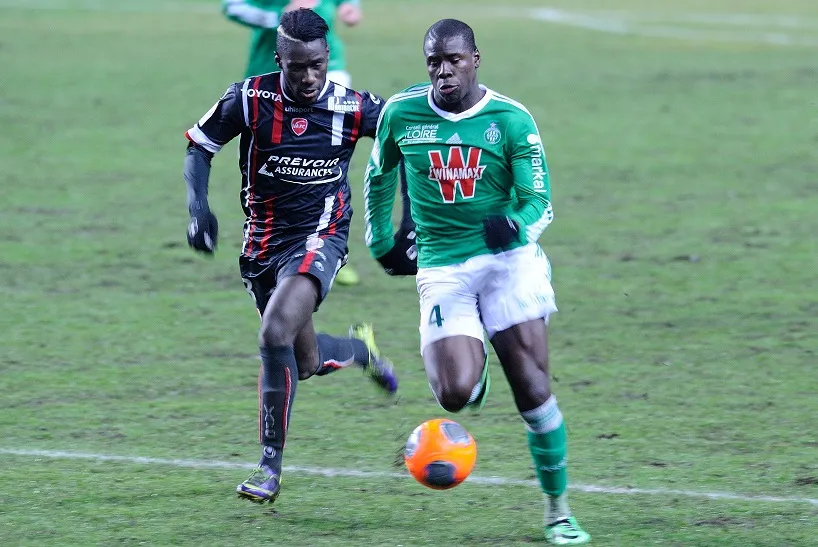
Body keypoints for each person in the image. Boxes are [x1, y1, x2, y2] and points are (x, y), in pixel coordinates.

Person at [363, 18, 591, 545]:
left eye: (454, 60)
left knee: (533, 390)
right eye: (433, 62)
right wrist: (381, 244)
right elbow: (378, 177)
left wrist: (515, 224)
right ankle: (474, 362)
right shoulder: (401, 113)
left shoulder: (510, 120)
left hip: (509, 261)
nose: (444, 72)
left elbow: (540, 200)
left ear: (475, 59)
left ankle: (558, 511)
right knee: (453, 394)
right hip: (443, 265)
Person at [183, 8, 415, 505]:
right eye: (297, 67)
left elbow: (410, 141)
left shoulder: (353, 107)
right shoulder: (248, 98)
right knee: (302, 361)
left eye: (317, 65)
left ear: (328, 57)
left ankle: (269, 467)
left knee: (273, 332)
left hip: (321, 237)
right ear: (279, 58)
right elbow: (199, 147)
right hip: (261, 245)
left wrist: (408, 222)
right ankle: (359, 351)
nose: (309, 77)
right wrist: (199, 208)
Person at [222, 0, 414, 285]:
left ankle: (328, 253)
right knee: (275, 174)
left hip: (330, 66)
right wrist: (282, 20)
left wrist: (350, 7)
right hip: (269, 78)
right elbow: (234, 7)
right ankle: (283, 253)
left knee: (325, 166)